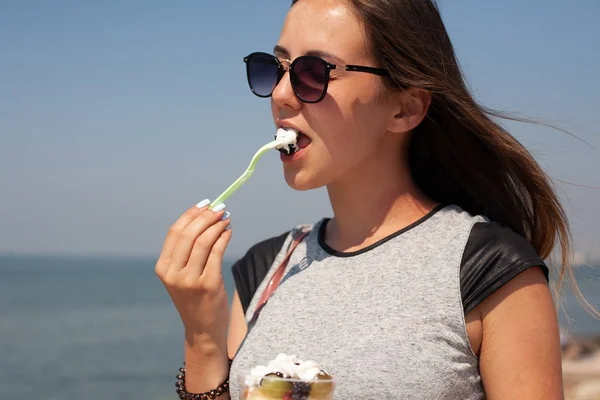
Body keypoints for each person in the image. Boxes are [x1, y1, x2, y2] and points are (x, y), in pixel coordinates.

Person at [155, 0, 570, 398]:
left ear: (405, 109)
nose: (280, 94)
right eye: (276, 68)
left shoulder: (487, 267)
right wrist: (203, 337)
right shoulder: (266, 269)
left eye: (314, 73)